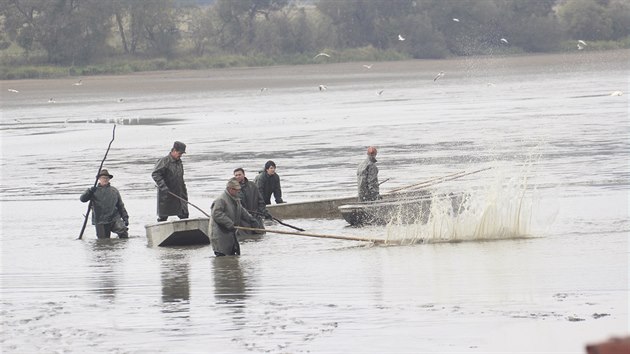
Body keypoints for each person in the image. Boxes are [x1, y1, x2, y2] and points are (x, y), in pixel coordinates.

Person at [210, 177, 258, 256]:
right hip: (220, 236)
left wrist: (251, 219)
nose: (238, 192)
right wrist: (230, 224)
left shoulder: (236, 199)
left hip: (230, 235)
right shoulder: (221, 200)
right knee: (222, 260)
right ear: (230, 189)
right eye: (237, 190)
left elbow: (241, 210)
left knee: (232, 260)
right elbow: (217, 214)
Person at [80, 169, 129, 238]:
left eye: (107, 178)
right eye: (103, 178)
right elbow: (82, 199)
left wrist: (125, 217)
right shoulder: (93, 190)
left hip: (114, 218)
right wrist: (89, 192)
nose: (105, 179)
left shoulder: (114, 190)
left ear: (109, 179)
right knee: (103, 242)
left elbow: (120, 205)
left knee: (123, 232)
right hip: (100, 221)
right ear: (99, 179)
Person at [152, 141, 189, 222]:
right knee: (163, 217)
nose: (180, 155)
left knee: (184, 215)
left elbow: (181, 178)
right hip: (166, 194)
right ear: (174, 150)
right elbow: (155, 174)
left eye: (182, 154)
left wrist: (184, 192)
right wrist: (163, 186)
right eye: (180, 153)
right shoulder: (164, 161)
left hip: (180, 194)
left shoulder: (179, 162)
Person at [234, 168, 270, 235]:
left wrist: (264, 212)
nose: (238, 177)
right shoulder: (233, 189)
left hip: (256, 217)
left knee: (260, 237)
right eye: (236, 175)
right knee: (245, 238)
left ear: (244, 175)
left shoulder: (252, 185)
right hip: (243, 221)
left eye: (239, 174)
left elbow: (261, 201)